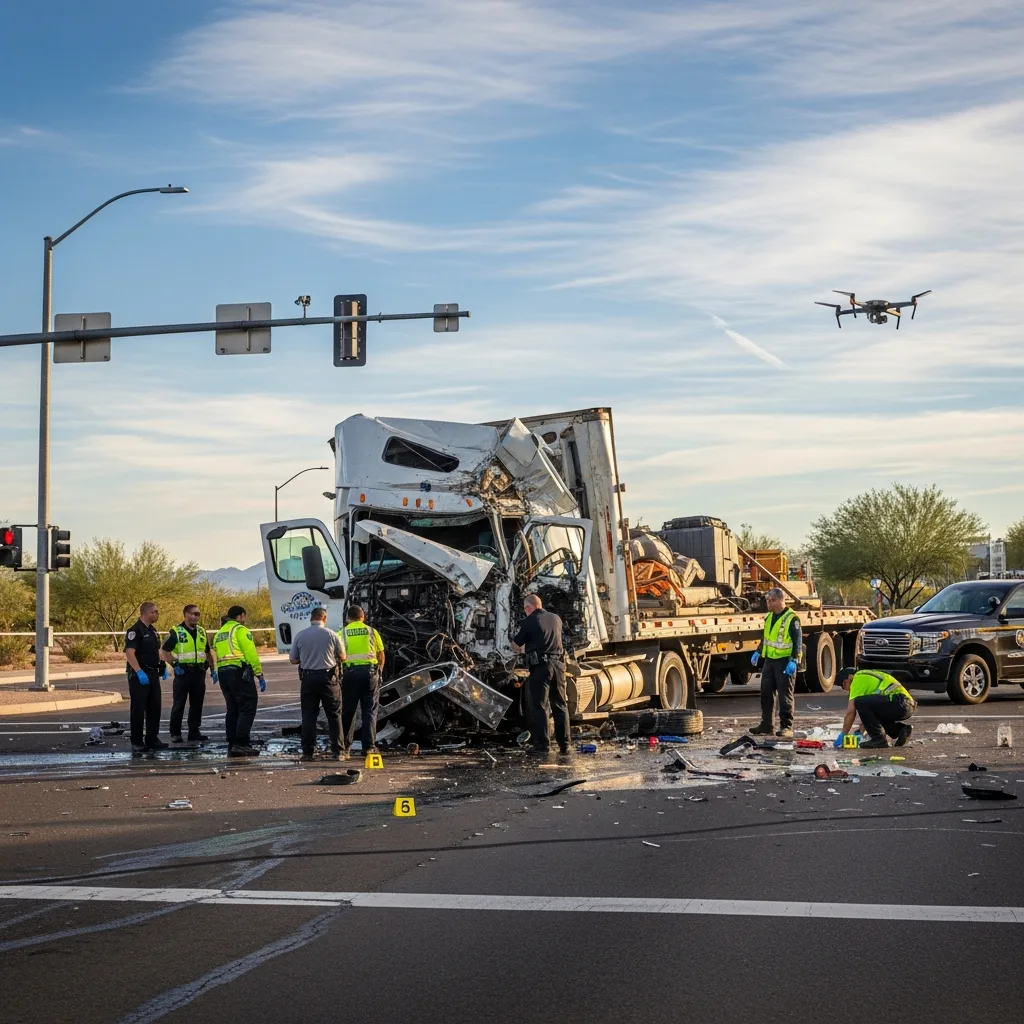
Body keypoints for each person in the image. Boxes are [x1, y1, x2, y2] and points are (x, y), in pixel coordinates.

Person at [511, 593, 568, 756]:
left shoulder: (530, 621)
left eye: (525, 609)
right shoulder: (556, 618)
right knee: (560, 705)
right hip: (559, 665)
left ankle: (542, 746)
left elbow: (516, 644)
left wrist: (522, 649)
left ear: (528, 607)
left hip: (541, 667)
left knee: (540, 706)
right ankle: (565, 745)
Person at [290, 607, 346, 761]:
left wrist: (307, 658)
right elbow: (343, 656)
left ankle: (308, 752)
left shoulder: (300, 635)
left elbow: (293, 659)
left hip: (308, 679)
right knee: (334, 715)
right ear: (324, 618)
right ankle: (338, 752)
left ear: (311, 618)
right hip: (328, 679)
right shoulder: (331, 634)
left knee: (308, 715)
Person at [749, 587, 802, 739]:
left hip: (785, 661)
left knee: (785, 696)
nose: (769, 603)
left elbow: (797, 642)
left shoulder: (792, 618)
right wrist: (758, 651)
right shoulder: (769, 617)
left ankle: (787, 727)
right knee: (766, 693)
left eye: (772, 600)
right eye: (767, 600)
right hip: (770, 660)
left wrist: (794, 660)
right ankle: (767, 724)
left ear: (780, 600)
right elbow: (766, 638)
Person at [213, 605, 266, 756]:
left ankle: (232, 741)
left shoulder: (220, 632)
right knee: (248, 706)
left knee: (232, 708)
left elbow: (216, 652)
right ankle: (241, 743)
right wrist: (259, 674)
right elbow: (250, 653)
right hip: (238, 672)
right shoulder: (240, 630)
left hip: (223, 672)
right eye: (244, 616)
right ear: (240, 615)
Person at [160, 604, 215, 743]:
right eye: (193, 614)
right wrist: (174, 664)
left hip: (199, 672)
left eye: (198, 614)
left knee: (197, 704)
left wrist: (213, 669)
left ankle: (194, 732)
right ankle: (175, 733)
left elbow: (207, 652)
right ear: (185, 615)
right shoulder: (176, 631)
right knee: (179, 704)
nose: (196, 617)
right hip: (183, 672)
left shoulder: (202, 631)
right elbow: (164, 651)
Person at [124, 601, 168, 754]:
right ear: (145, 613)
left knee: (154, 708)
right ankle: (137, 742)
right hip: (139, 675)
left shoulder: (153, 631)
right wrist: (138, 671)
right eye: (153, 612)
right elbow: (130, 652)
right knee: (138, 709)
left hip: (153, 673)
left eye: (157, 612)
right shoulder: (135, 631)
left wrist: (162, 665)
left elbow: (157, 651)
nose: (156, 614)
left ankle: (152, 739)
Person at [340, 605, 385, 756]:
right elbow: (381, 655)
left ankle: (345, 748)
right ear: (363, 616)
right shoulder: (372, 631)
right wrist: (379, 672)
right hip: (369, 674)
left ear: (348, 618)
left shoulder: (342, 633)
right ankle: (369, 747)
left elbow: (337, 655)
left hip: (350, 674)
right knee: (369, 711)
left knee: (348, 711)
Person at [837, 667, 915, 749]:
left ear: (846, 680)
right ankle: (900, 731)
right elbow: (868, 714)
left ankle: (879, 739)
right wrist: (860, 731)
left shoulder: (857, 680)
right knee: (869, 708)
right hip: (906, 705)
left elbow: (851, 712)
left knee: (859, 702)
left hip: (899, 702)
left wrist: (844, 734)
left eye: (843, 686)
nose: (845, 690)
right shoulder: (865, 676)